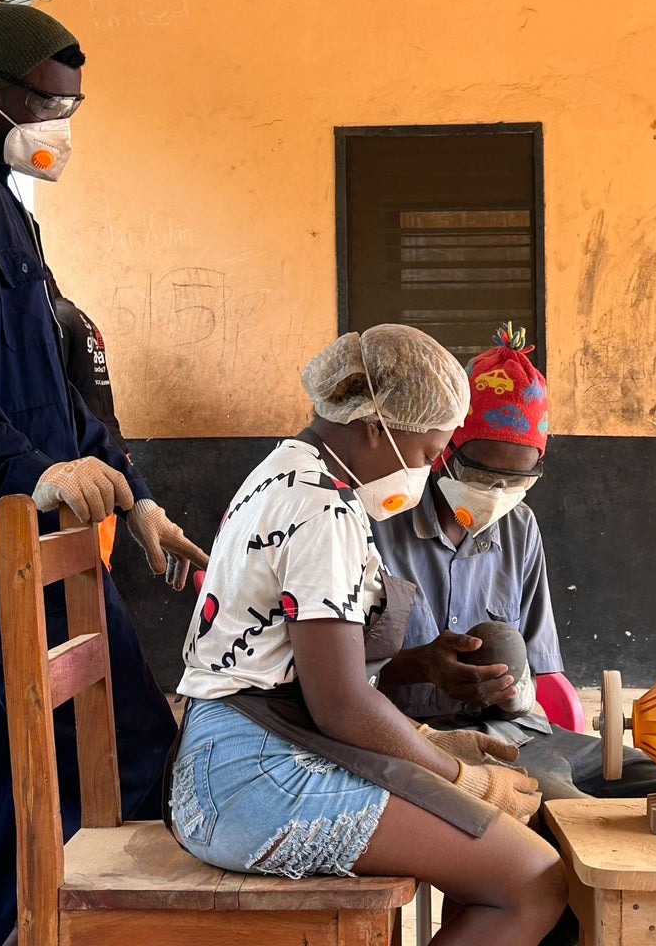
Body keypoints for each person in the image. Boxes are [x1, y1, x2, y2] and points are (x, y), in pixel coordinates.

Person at [0, 2, 210, 946]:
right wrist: (34, 473)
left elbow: (63, 386)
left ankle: (21, 925)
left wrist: (134, 497)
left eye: (72, 106)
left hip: (43, 536)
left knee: (42, 740)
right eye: (44, 104)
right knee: (64, 749)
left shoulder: (11, 213)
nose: (60, 126)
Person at [169, 324, 566, 945]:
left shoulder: (286, 469)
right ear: (379, 427)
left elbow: (320, 672)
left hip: (244, 745)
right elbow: (342, 706)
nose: (431, 468)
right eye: (432, 449)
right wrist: (461, 777)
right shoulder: (324, 509)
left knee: (494, 853)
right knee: (533, 878)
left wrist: (427, 726)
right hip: (253, 776)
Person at [373, 324, 656, 802]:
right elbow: (340, 679)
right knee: (569, 810)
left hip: (524, 732)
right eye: (482, 473)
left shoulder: (520, 528)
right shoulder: (378, 526)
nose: (498, 493)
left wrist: (517, 693)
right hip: (429, 742)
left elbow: (541, 668)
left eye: (518, 480)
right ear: (443, 454)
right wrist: (423, 668)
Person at [48, 271, 128, 568]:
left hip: (87, 458)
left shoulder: (56, 321)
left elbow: (55, 395)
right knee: (97, 562)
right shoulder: (81, 318)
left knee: (87, 571)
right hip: (111, 450)